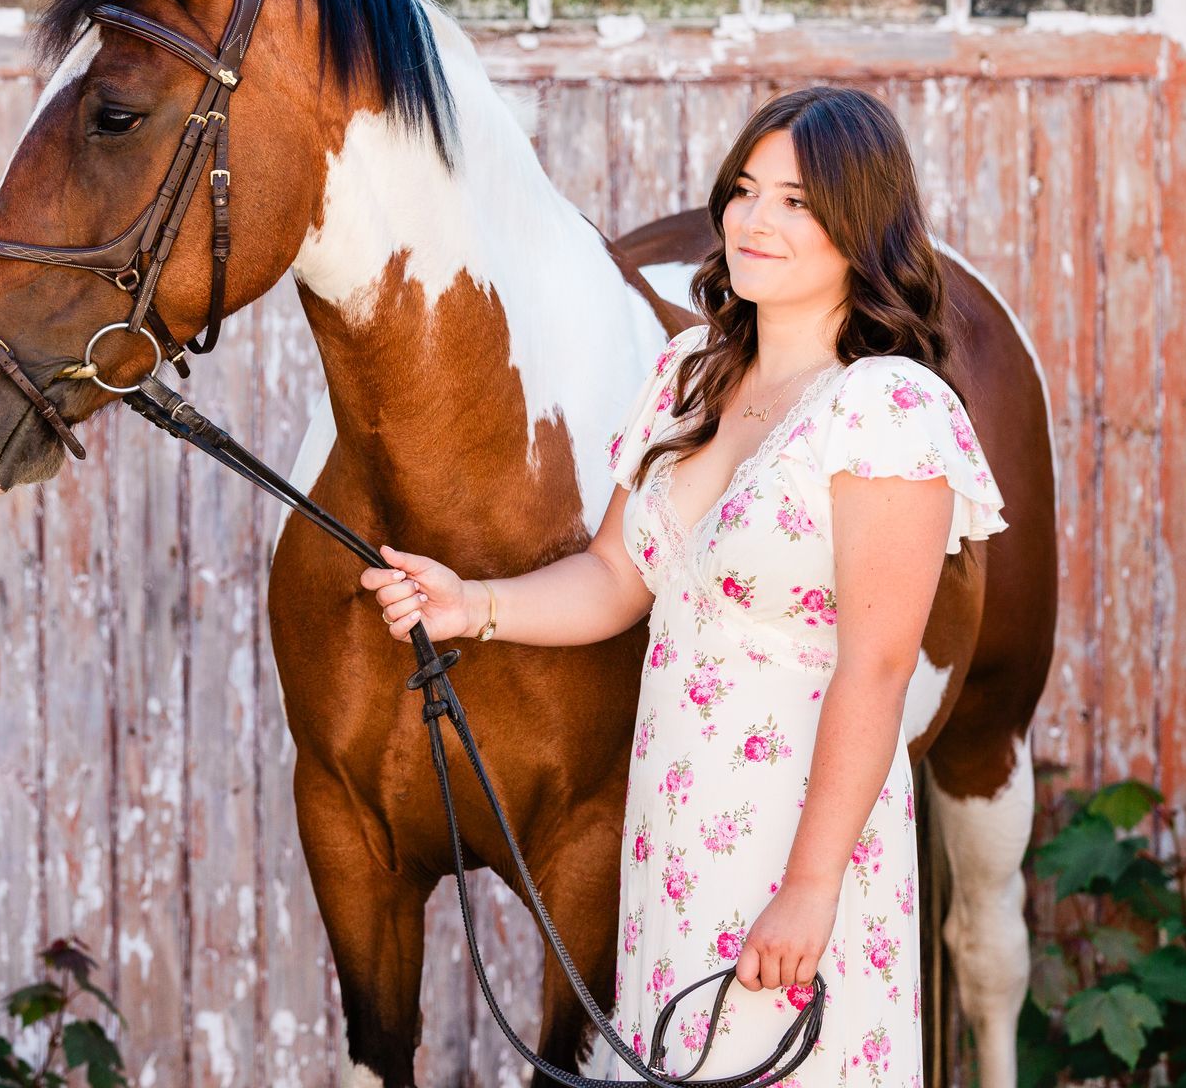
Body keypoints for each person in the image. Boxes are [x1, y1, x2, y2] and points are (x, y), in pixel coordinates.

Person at [359, 86, 1008, 1084]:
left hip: (801, 837)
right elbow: (618, 576)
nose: (755, 220)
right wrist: (471, 605)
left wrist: (809, 887)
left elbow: (878, 669)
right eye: (746, 191)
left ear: (861, 226)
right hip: (674, 833)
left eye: (797, 201)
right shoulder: (689, 376)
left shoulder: (886, 407)